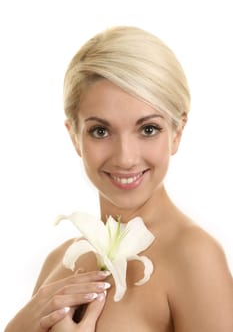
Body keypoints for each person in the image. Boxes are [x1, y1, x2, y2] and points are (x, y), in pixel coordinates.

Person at [5, 26, 233, 332]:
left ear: (177, 132)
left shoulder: (194, 258)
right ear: (74, 136)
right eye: (101, 131)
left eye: (148, 129)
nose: (125, 158)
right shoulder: (58, 263)